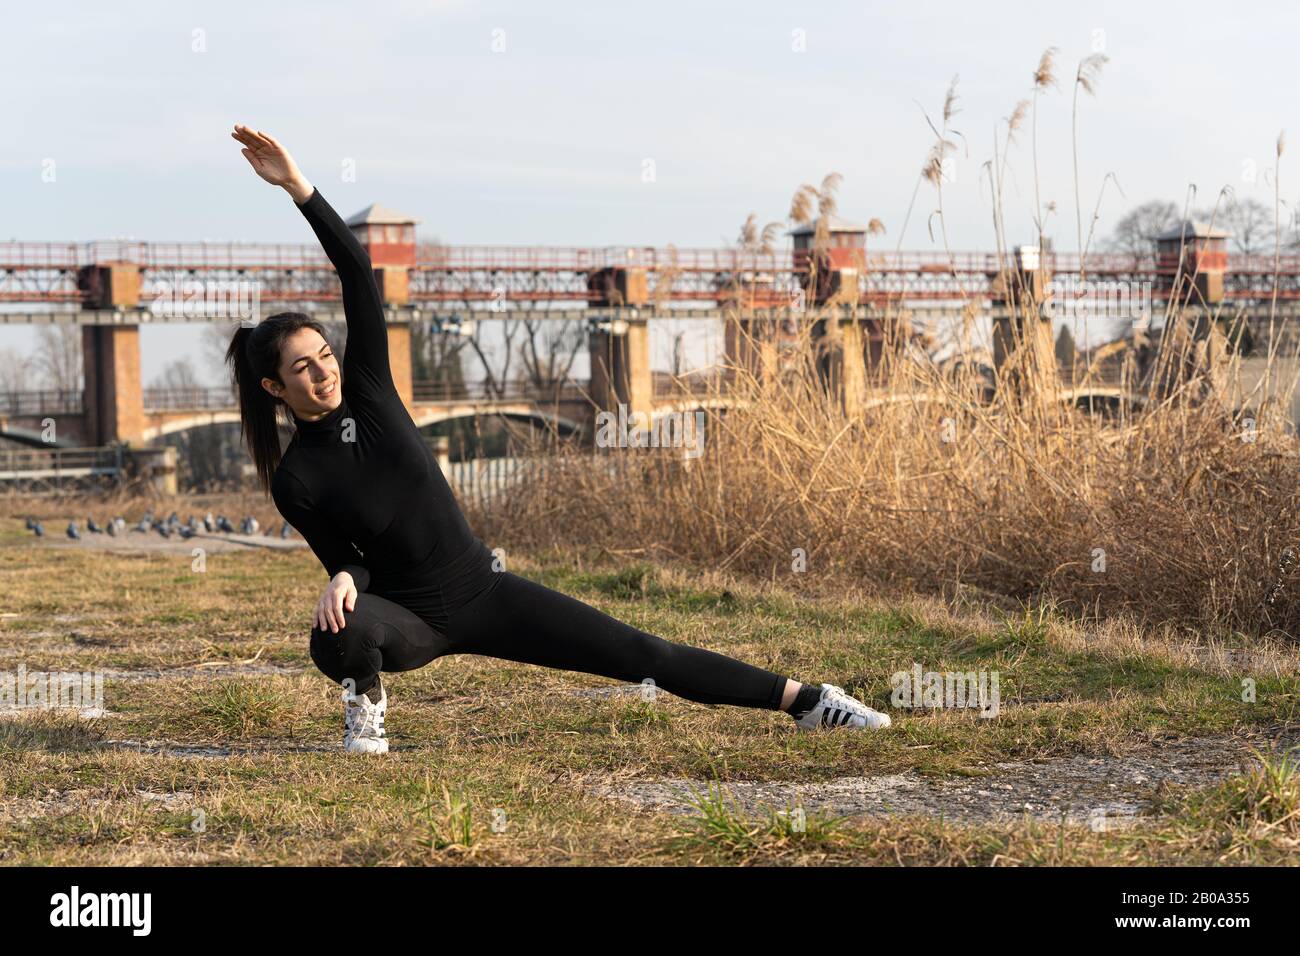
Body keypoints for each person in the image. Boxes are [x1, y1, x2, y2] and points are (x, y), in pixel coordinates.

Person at [224, 124, 892, 753]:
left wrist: (298, 186)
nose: (323, 370)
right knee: (336, 631)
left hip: (484, 591)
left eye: (324, 354)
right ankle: (365, 706)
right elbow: (353, 561)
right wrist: (342, 575)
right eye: (302, 367)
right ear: (275, 389)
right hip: (409, 620)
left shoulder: (369, 388)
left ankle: (810, 702)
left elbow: (357, 273)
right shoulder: (297, 480)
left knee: (643, 655)